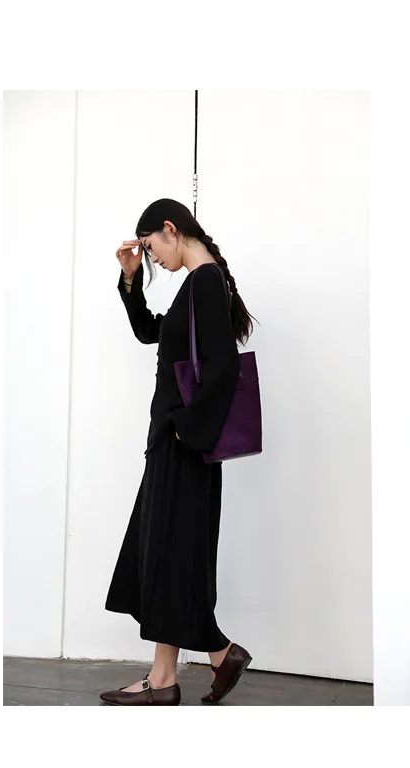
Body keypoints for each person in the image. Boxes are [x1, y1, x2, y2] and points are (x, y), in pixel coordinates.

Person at [101, 199, 258, 706]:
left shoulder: (205, 281)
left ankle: (216, 653)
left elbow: (224, 367)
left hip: (183, 446)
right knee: (166, 556)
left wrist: (184, 431)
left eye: (150, 248)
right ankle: (166, 676)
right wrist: (130, 280)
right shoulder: (200, 283)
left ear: (171, 229)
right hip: (179, 445)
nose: (152, 258)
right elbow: (152, 332)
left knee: (168, 556)